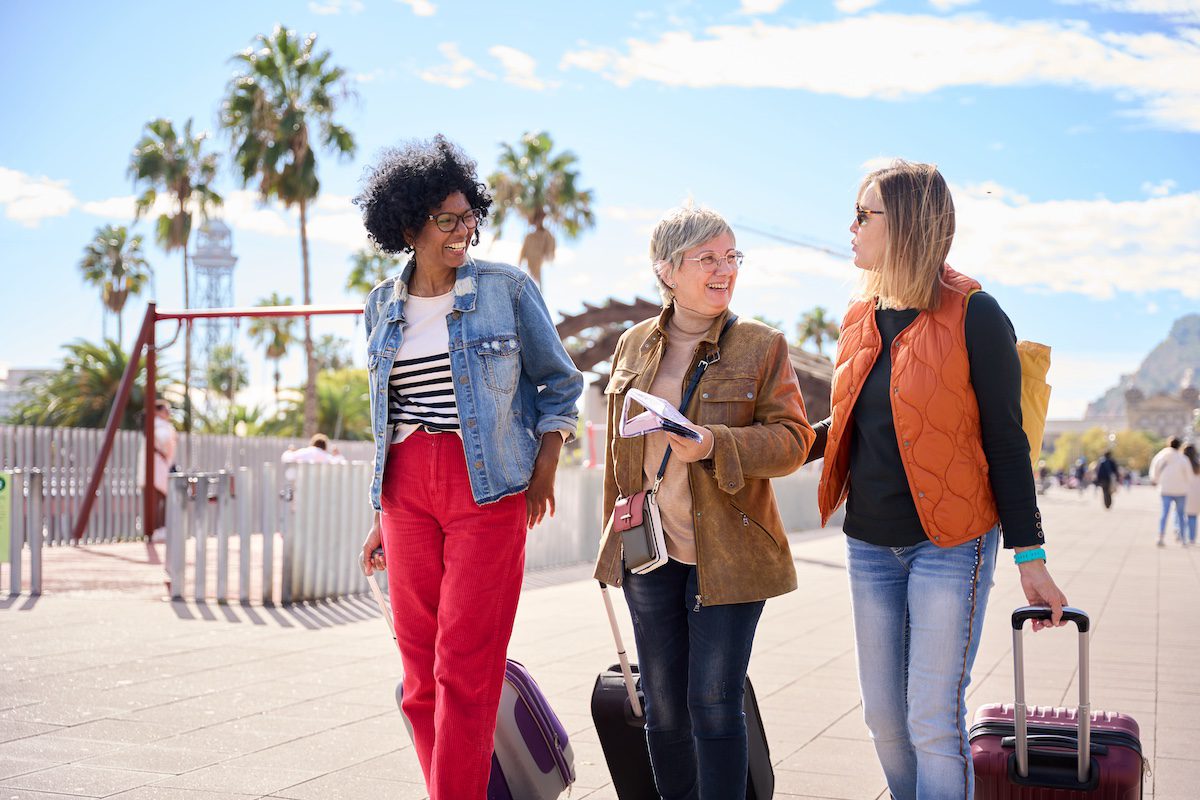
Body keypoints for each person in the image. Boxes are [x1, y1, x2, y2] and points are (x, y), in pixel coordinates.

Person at [805, 160, 1068, 800]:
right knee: (884, 720)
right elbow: (844, 425)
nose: (851, 226)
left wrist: (1031, 559)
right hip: (869, 545)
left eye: (865, 214)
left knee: (932, 720)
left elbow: (1007, 444)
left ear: (908, 225)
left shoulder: (976, 314)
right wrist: (739, 448)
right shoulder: (858, 316)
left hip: (951, 545)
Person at [354, 135, 582, 800]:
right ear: (409, 227)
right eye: (447, 221)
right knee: (419, 676)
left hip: (485, 486)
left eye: (469, 218)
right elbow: (385, 416)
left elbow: (559, 385)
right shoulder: (379, 305)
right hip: (404, 491)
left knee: (467, 669)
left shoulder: (506, 289)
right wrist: (379, 516)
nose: (463, 232)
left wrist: (543, 472)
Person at [594, 203, 814, 799]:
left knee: (713, 704)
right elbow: (621, 456)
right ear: (666, 270)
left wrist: (712, 444)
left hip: (731, 554)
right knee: (664, 710)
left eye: (731, 257)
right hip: (649, 552)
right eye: (708, 259)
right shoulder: (632, 344)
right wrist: (615, 537)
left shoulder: (761, 345)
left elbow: (795, 440)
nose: (725, 270)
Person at [137, 399, 178, 541]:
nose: (168, 413)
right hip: (158, 465)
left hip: (159, 465)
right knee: (158, 498)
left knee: (159, 498)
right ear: (157, 411)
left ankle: (158, 528)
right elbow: (164, 439)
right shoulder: (159, 425)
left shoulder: (153, 425)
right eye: (165, 410)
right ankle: (157, 529)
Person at [1149, 436, 1191, 546]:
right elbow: (1189, 475)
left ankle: (1161, 536)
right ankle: (1183, 539)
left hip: (1165, 489)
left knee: (1164, 513)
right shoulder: (1182, 458)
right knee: (1181, 515)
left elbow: (1154, 470)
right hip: (1181, 490)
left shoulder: (1162, 455)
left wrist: (1155, 480)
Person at [1182, 444, 1199, 546]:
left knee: (1180, 514)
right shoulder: (1198, 464)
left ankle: (1180, 533)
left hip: (1184, 491)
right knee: (1193, 517)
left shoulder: (1182, 462)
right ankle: (1192, 538)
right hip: (1197, 493)